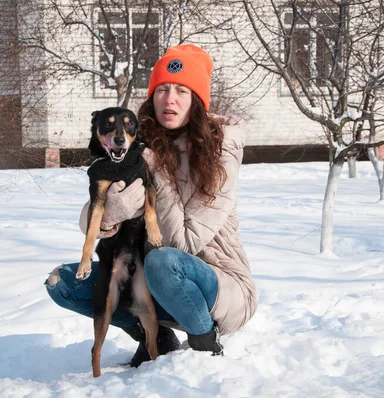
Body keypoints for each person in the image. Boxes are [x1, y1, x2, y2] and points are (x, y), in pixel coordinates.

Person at [45, 44, 258, 368]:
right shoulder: (138, 145)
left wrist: (156, 173)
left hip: (220, 289)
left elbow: (184, 245)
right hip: (153, 282)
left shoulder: (220, 153)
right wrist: (111, 211)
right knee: (64, 283)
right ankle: (156, 337)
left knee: (162, 262)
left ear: (197, 102)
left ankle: (204, 344)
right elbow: (88, 219)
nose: (169, 99)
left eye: (181, 91)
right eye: (162, 89)